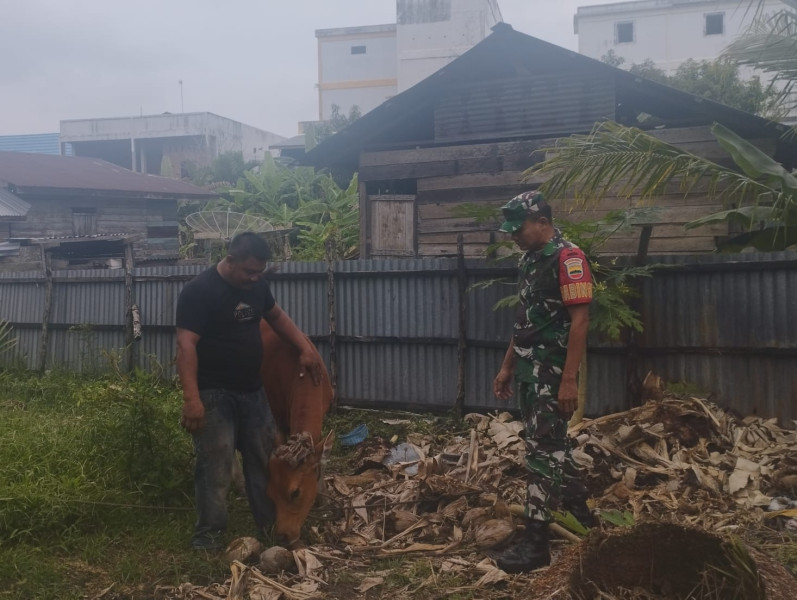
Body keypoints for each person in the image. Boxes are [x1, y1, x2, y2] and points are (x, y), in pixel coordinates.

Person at [176, 232, 323, 550]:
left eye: (260, 272)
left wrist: (304, 348)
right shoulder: (199, 291)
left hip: (253, 393)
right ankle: (209, 539)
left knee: (264, 463)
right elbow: (186, 344)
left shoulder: (257, 286)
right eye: (250, 272)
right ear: (230, 261)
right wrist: (192, 398)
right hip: (214, 394)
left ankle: (271, 530)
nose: (256, 278)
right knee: (214, 468)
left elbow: (278, 317)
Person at [492, 191, 594, 573]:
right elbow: (525, 320)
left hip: (552, 374)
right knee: (552, 446)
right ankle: (583, 518)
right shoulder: (529, 260)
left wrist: (569, 381)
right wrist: (506, 367)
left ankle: (536, 545)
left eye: (518, 229)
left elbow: (581, 322)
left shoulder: (569, 259)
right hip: (527, 371)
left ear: (542, 223)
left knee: (540, 454)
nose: (513, 236)